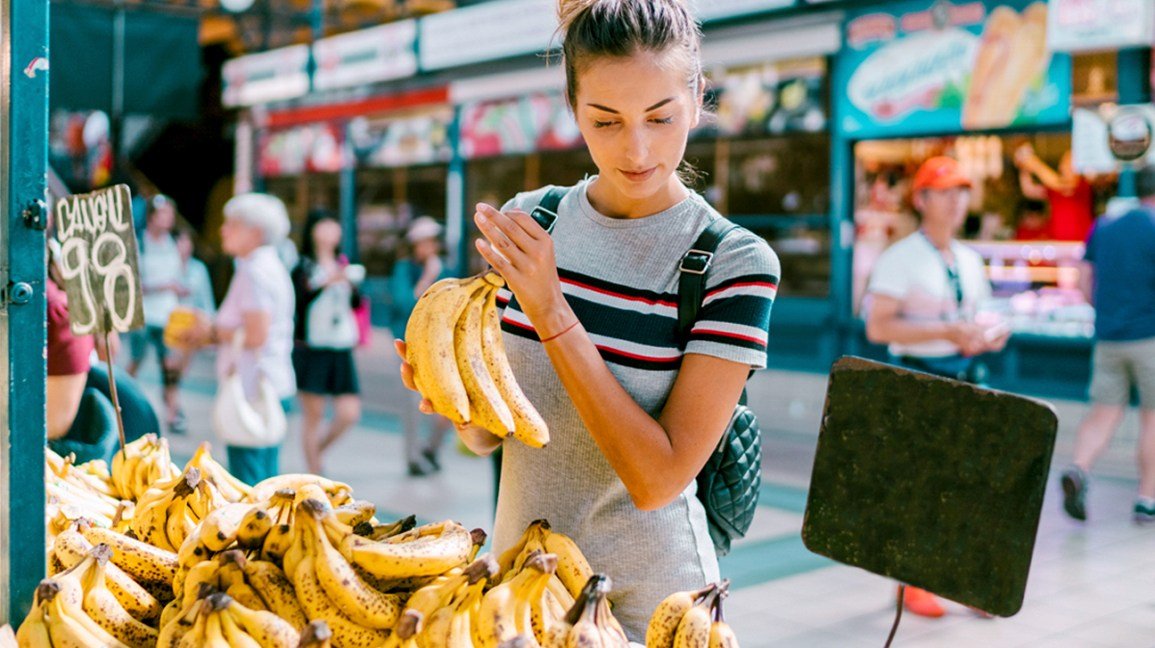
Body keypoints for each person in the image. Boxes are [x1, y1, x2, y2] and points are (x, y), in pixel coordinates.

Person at [396, 0, 780, 638]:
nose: (636, 148)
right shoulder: (534, 221)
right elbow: (493, 438)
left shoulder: (731, 261)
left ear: (698, 96)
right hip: (520, 589)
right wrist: (454, 398)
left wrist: (551, 311)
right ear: (573, 106)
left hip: (649, 607)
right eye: (606, 121)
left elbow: (657, 478)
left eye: (662, 118)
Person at [865, 155, 1010, 618]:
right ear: (922, 199)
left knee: (971, 483)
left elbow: (978, 315)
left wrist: (988, 332)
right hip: (920, 380)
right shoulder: (901, 257)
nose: (955, 201)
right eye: (945, 192)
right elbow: (878, 328)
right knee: (924, 486)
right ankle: (913, 584)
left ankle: (967, 581)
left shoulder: (968, 258)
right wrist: (945, 333)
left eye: (961, 191)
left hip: (966, 377)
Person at [1059, 167, 1155, 525]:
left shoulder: (1104, 225)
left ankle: (1078, 468)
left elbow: (1083, 280)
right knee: (1152, 418)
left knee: (1103, 412)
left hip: (1108, 338)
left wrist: (1105, 311)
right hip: (1149, 337)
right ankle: (1147, 498)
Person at [178, 193, 296, 485]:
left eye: (232, 224)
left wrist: (211, 332)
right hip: (268, 383)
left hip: (253, 388)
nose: (223, 230)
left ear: (255, 232)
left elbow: (256, 334)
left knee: (251, 486)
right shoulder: (267, 265)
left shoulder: (255, 270)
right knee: (266, 480)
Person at [291, 214, 363, 475]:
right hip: (313, 347)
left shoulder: (343, 264)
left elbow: (355, 305)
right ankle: (313, 472)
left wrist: (350, 285)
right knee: (314, 415)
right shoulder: (303, 266)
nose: (332, 229)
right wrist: (325, 283)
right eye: (325, 224)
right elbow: (298, 302)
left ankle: (316, 452)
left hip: (341, 345)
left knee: (349, 413)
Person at [388, 216, 452, 477]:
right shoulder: (405, 269)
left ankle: (432, 449)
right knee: (413, 403)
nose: (427, 247)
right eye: (422, 242)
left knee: (447, 403)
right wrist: (428, 276)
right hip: (409, 344)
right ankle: (412, 458)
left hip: (439, 343)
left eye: (431, 241)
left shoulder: (446, 268)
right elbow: (405, 302)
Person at [128, 194, 189, 434]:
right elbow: (134, 281)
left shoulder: (174, 243)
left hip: (168, 315)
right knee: (135, 361)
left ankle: (173, 412)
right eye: (163, 214)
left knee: (170, 366)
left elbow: (178, 276)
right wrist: (165, 286)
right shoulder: (139, 242)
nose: (167, 219)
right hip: (144, 314)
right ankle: (122, 401)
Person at [1015, 146, 1095, 242]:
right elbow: (1028, 190)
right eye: (1066, 163)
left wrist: (1034, 164)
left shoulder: (1083, 185)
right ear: (1060, 166)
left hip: (1080, 246)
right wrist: (1024, 168)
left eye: (1072, 163)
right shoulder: (1053, 188)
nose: (1069, 166)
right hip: (1058, 247)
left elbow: (1062, 185)